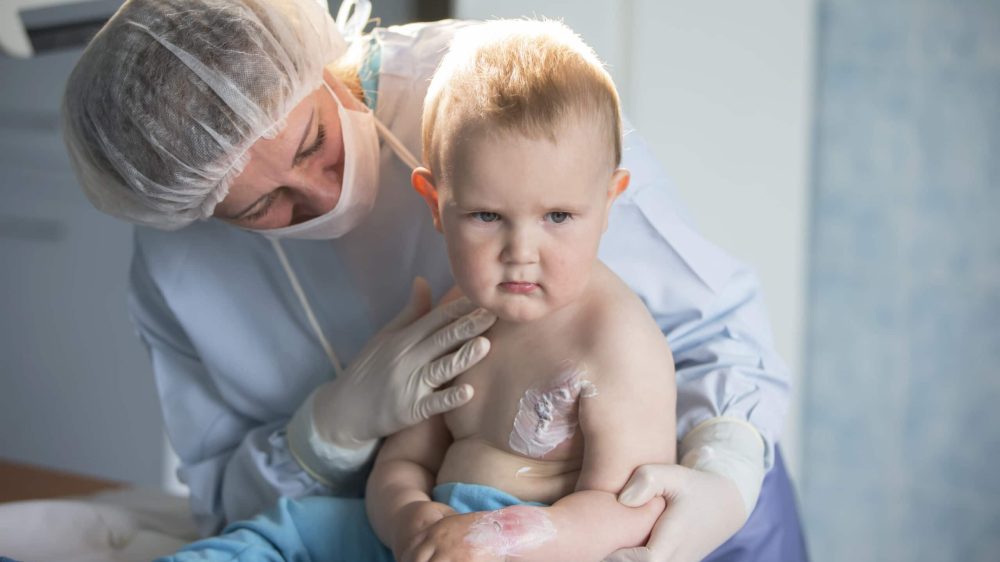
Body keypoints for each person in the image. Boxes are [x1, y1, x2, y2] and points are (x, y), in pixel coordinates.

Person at [60, 0, 808, 560]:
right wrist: (328, 433)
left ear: (310, 60)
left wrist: (726, 478)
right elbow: (225, 499)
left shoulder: (500, 103)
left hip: (668, 511)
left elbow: (716, 335)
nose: (316, 195)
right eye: (262, 205)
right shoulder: (177, 264)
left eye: (313, 141)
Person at [157, 20, 675, 561]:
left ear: (610, 202)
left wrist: (503, 537)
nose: (521, 249)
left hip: (539, 546)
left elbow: (627, 513)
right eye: (486, 215)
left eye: (559, 216)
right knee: (283, 530)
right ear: (435, 203)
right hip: (427, 536)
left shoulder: (615, 341)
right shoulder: (458, 314)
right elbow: (403, 464)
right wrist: (409, 515)